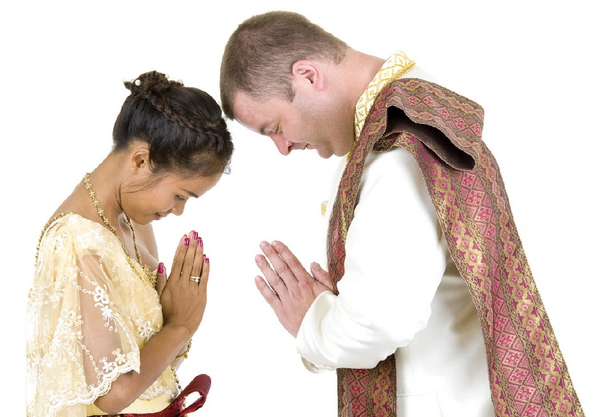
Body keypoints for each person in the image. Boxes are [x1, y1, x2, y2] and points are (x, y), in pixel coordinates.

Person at [220, 11, 582, 417]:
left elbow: (378, 322)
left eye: (274, 127)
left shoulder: (396, 151)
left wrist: (311, 321)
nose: (283, 147)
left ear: (308, 75)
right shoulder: (417, 111)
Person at [26, 71, 233, 417]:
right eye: (180, 195)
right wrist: (180, 325)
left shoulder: (134, 220)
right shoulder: (77, 242)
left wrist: (175, 318)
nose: (179, 210)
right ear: (140, 160)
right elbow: (112, 393)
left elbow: (152, 375)